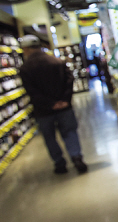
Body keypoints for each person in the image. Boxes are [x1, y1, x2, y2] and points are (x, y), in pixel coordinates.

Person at [19, 35, 87, 174]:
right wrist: (64, 100)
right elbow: (69, 82)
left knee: (49, 137)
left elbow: (32, 91)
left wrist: (50, 104)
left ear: (26, 49)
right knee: (70, 132)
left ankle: (59, 164)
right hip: (65, 107)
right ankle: (76, 157)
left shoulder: (25, 68)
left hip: (43, 111)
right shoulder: (57, 61)